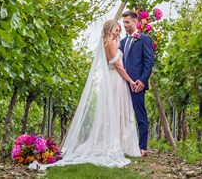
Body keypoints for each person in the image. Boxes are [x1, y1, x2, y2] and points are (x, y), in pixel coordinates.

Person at [29, 20, 141, 171]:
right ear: (109, 30)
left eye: (119, 30)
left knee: (112, 111)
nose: (118, 32)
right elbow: (118, 66)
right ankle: (118, 143)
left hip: (110, 78)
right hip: (116, 79)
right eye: (116, 29)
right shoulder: (112, 43)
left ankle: (116, 142)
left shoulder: (105, 44)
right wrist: (130, 80)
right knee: (118, 111)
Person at [120, 10, 154, 157]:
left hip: (137, 84)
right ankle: (124, 145)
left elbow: (149, 62)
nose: (125, 25)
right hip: (122, 83)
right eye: (124, 22)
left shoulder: (144, 39)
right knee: (122, 114)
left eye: (127, 22)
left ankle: (143, 147)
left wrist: (142, 80)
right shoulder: (122, 42)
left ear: (135, 22)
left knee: (140, 115)